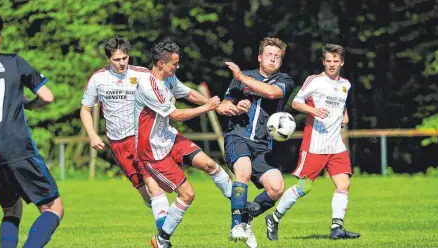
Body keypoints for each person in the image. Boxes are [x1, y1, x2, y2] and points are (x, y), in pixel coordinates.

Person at [0, 12, 64, 248]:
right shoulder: (12, 61)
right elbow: (47, 97)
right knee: (53, 207)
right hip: (15, 147)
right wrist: (29, 105)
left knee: (10, 208)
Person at [135, 37, 231, 248]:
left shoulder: (169, 78)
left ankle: (239, 208)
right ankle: (161, 240)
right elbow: (176, 115)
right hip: (153, 150)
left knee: (209, 164)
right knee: (187, 194)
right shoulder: (149, 86)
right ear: (161, 63)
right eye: (174, 63)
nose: (177, 66)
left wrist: (211, 103)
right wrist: (207, 108)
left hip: (169, 137)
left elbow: (188, 93)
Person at [265, 44, 360, 240]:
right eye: (328, 61)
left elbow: (341, 104)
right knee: (305, 187)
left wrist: (345, 116)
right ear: (323, 62)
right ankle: (274, 218)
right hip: (316, 143)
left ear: (341, 62)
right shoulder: (315, 81)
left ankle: (337, 228)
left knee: (343, 184)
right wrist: (313, 111)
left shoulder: (346, 84)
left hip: (336, 144)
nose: (332, 64)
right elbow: (296, 102)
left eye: (336, 61)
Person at [80, 36, 170, 230]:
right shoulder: (98, 79)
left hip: (141, 138)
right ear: (108, 59)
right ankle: (161, 213)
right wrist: (92, 135)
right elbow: (85, 109)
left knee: (153, 186)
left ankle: (164, 237)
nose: (122, 63)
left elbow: (162, 97)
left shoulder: (142, 74)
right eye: (116, 59)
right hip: (117, 143)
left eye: (124, 58)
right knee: (145, 193)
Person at [217, 37, 295, 247]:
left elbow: (271, 92)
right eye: (269, 55)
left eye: (277, 56)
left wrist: (240, 75)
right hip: (238, 136)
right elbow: (223, 106)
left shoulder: (285, 80)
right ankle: (236, 225)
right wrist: (234, 107)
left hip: (263, 146)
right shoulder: (242, 78)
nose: (273, 59)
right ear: (260, 57)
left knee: (276, 187)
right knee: (243, 170)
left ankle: (245, 220)